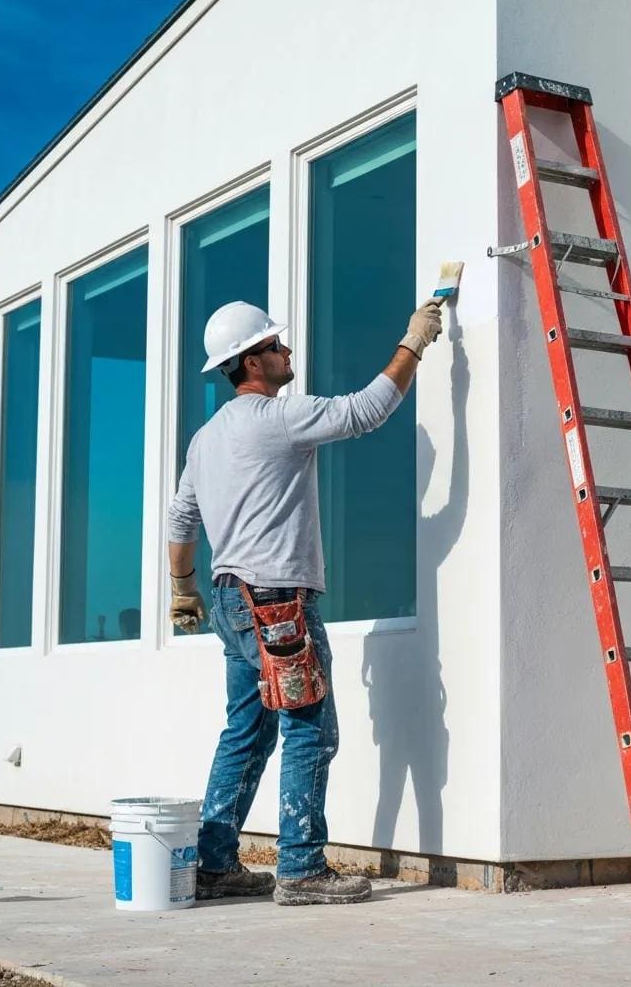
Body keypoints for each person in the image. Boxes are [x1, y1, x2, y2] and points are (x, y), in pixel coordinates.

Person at [166, 297, 442, 906]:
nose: (287, 351)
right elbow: (368, 410)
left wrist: (182, 588)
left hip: (230, 601)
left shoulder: (206, 439)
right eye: (277, 345)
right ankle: (301, 868)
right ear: (252, 362)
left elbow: (182, 517)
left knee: (246, 730)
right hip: (276, 605)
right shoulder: (277, 418)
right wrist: (414, 340)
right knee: (309, 730)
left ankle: (214, 865)